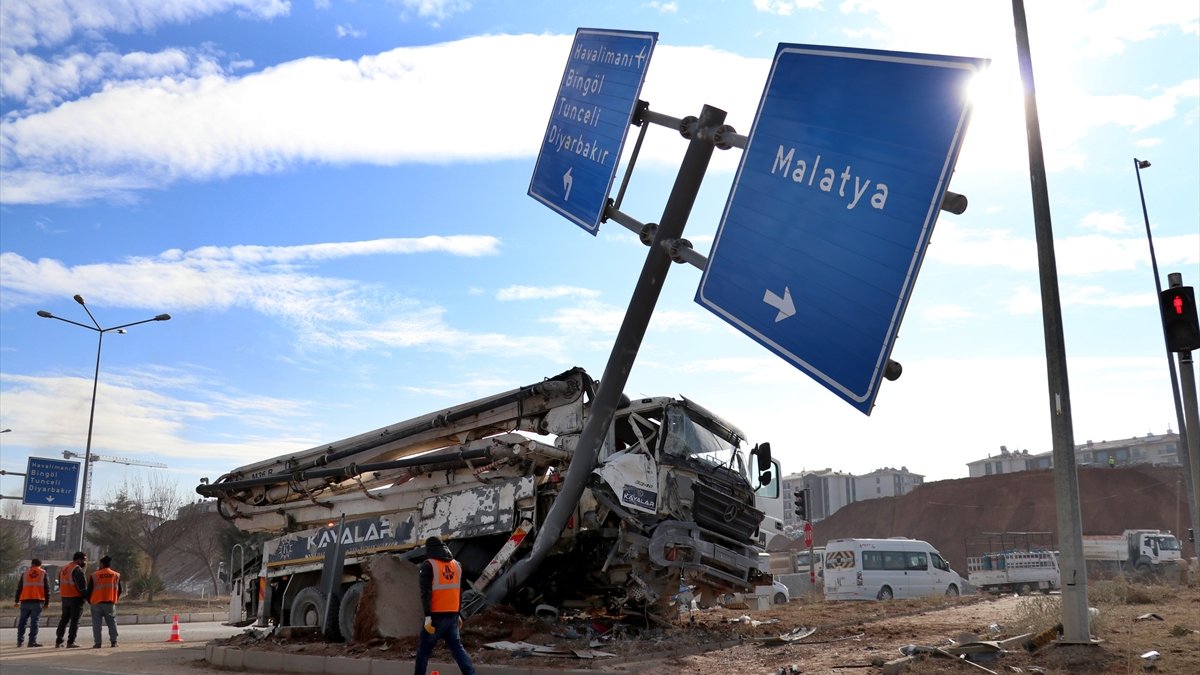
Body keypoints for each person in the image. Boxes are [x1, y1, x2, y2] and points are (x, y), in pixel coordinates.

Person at [413, 536, 476, 675]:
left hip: (436, 617)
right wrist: (458, 613)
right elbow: (458, 591)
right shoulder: (456, 565)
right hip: (452, 615)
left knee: (424, 651)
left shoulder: (428, 565)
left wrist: (428, 616)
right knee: (457, 648)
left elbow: (425, 593)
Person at [86, 555, 123, 648]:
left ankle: (98, 643)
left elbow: (89, 590)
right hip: (110, 603)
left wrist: (90, 601)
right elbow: (120, 590)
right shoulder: (116, 575)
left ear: (102, 564)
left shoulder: (94, 575)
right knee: (112, 622)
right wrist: (115, 598)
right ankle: (114, 642)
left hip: (96, 604)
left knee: (97, 624)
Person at [55, 551, 89, 648]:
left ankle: (59, 640)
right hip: (76, 598)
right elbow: (82, 588)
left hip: (65, 597)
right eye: (84, 560)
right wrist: (88, 598)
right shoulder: (77, 570)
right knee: (75, 620)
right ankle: (71, 642)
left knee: (64, 620)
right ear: (78, 560)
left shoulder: (64, 568)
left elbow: (60, 583)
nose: (85, 562)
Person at [15, 558, 51, 647]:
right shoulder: (43, 573)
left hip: (25, 600)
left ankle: (20, 641)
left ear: (32, 564)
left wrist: (17, 600)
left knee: (22, 621)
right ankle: (32, 642)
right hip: (37, 600)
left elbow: (19, 588)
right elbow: (47, 589)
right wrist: (47, 602)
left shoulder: (25, 573)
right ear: (40, 565)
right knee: (34, 622)